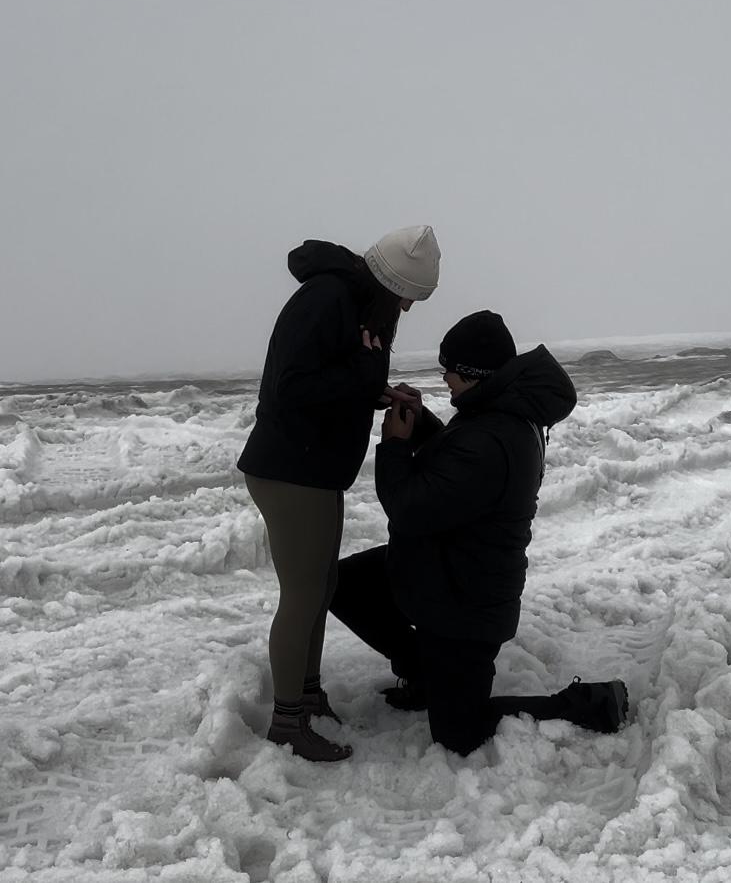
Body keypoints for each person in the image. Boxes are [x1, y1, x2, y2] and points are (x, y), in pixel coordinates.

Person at [330, 310, 629, 756]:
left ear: (474, 374)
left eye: (449, 369)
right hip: (445, 574)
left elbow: (411, 507)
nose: (445, 377)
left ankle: (589, 704)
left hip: (464, 608)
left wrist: (393, 445)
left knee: (459, 734)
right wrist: (423, 420)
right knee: (345, 584)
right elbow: (456, 462)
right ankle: (427, 674)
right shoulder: (497, 410)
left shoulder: (493, 436)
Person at [238, 225, 440, 762]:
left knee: (321, 587)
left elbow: (329, 378)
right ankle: (287, 722)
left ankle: (307, 697)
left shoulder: (354, 304)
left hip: (315, 468)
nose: (406, 309)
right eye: (407, 297)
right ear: (390, 282)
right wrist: (363, 375)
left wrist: (378, 390)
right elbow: (293, 388)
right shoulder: (326, 299)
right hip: (290, 469)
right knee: (303, 594)